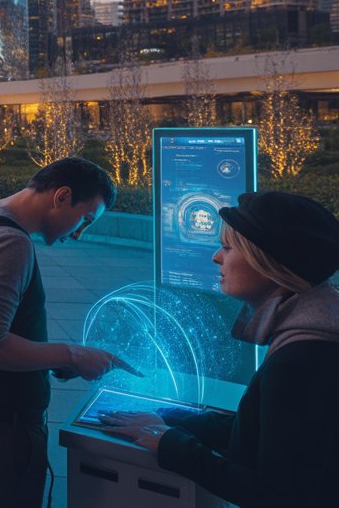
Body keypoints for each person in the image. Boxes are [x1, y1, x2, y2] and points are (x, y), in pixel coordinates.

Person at [99, 191, 339, 507]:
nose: (216, 257)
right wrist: (168, 419)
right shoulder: (314, 329)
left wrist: (170, 444)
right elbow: (267, 431)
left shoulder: (299, 362)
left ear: (268, 262)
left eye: (227, 247)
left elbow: (277, 495)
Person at [0, 156, 135, 508]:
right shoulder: (10, 243)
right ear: (62, 196)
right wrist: (71, 354)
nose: (79, 234)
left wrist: (54, 360)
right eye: (84, 220)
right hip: (3, 427)